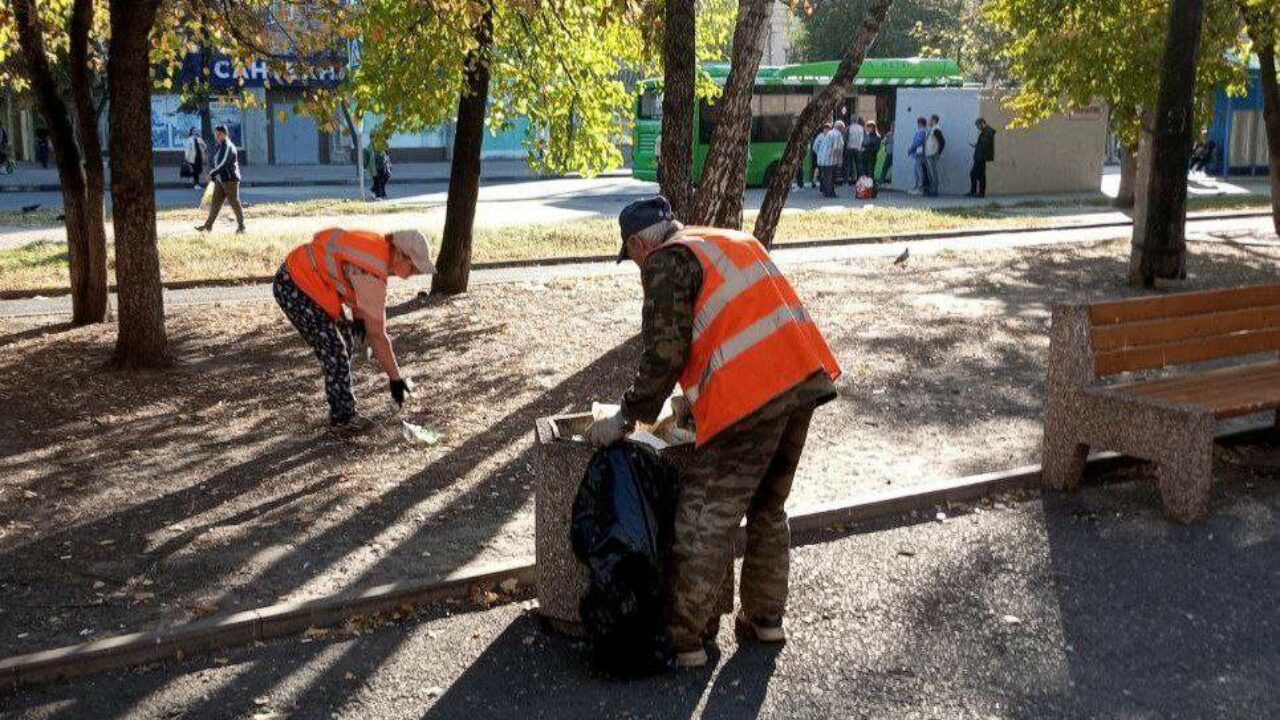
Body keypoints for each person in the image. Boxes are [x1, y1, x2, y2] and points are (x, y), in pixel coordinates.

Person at [587, 196, 840, 668]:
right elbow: (734, 321)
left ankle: (683, 642)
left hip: (752, 399)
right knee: (768, 506)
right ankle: (766, 621)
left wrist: (627, 416)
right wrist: (693, 396)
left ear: (641, 243)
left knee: (704, 516)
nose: (636, 265)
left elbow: (664, 353)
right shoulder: (725, 240)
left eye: (632, 255)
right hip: (803, 378)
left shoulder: (665, 262)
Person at [273, 227, 435, 433]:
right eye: (414, 266)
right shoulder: (372, 270)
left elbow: (351, 281)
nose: (416, 272)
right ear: (399, 254)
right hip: (295, 285)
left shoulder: (377, 253)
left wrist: (359, 322)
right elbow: (378, 335)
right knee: (335, 350)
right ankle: (343, 419)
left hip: (306, 280)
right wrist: (396, 380)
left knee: (343, 344)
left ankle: (341, 409)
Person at [196, 125, 245, 234]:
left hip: (230, 180)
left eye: (218, 134)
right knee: (215, 203)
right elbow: (217, 162)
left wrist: (212, 173)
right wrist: (214, 176)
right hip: (220, 180)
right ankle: (208, 227)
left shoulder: (228, 146)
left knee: (235, 203)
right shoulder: (221, 146)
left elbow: (223, 164)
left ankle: (242, 227)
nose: (216, 136)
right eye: (216, 134)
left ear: (225, 134)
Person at [968, 118, 996, 198]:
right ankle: (976, 192)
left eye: (978, 126)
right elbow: (983, 143)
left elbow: (985, 144)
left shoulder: (988, 132)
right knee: (977, 174)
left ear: (983, 123)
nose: (978, 128)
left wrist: (978, 145)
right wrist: (976, 145)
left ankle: (979, 192)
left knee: (977, 174)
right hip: (980, 156)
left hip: (982, 156)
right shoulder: (985, 131)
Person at [924, 114, 946, 197]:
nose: (928, 121)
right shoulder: (931, 129)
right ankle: (931, 189)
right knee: (930, 173)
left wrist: (938, 153)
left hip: (933, 154)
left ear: (934, 120)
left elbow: (942, 142)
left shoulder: (936, 129)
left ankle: (935, 191)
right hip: (929, 153)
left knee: (933, 173)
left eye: (930, 119)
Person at [907, 117, 928, 195]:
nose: (917, 124)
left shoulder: (922, 131)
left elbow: (918, 141)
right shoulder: (923, 131)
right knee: (917, 170)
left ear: (920, 123)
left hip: (919, 153)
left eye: (918, 123)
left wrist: (911, 149)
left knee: (919, 171)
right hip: (919, 153)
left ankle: (919, 188)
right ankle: (917, 186)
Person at [844, 117, 865, 186]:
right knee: (859, 165)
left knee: (848, 165)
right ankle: (860, 181)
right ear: (857, 121)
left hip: (850, 148)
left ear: (851, 120)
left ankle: (846, 181)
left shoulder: (849, 128)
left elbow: (845, 138)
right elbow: (864, 138)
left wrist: (845, 146)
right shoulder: (861, 128)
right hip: (858, 148)